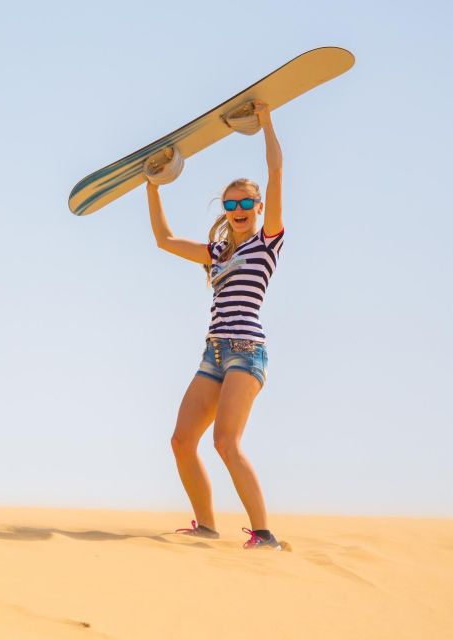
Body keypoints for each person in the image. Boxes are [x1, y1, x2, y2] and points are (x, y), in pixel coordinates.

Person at [145, 100, 286, 550]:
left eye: (247, 202)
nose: (239, 208)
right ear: (225, 209)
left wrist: (266, 122)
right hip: (214, 354)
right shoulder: (219, 253)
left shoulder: (267, 243)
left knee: (226, 441)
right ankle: (206, 526)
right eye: (232, 203)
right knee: (181, 440)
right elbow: (164, 240)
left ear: (259, 207)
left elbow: (277, 173)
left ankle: (265, 536)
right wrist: (152, 185)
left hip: (247, 350)